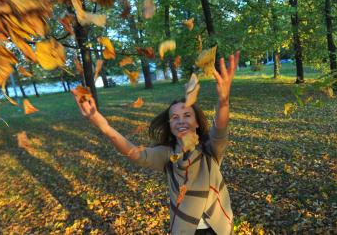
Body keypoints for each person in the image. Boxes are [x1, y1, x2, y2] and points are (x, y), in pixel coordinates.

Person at [72, 52, 240, 235]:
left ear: (197, 122)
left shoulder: (209, 149)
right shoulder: (167, 155)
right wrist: (104, 126)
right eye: (175, 117)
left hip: (218, 227)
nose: (181, 121)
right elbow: (136, 154)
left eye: (187, 115)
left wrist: (223, 101)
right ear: (170, 125)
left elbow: (220, 129)